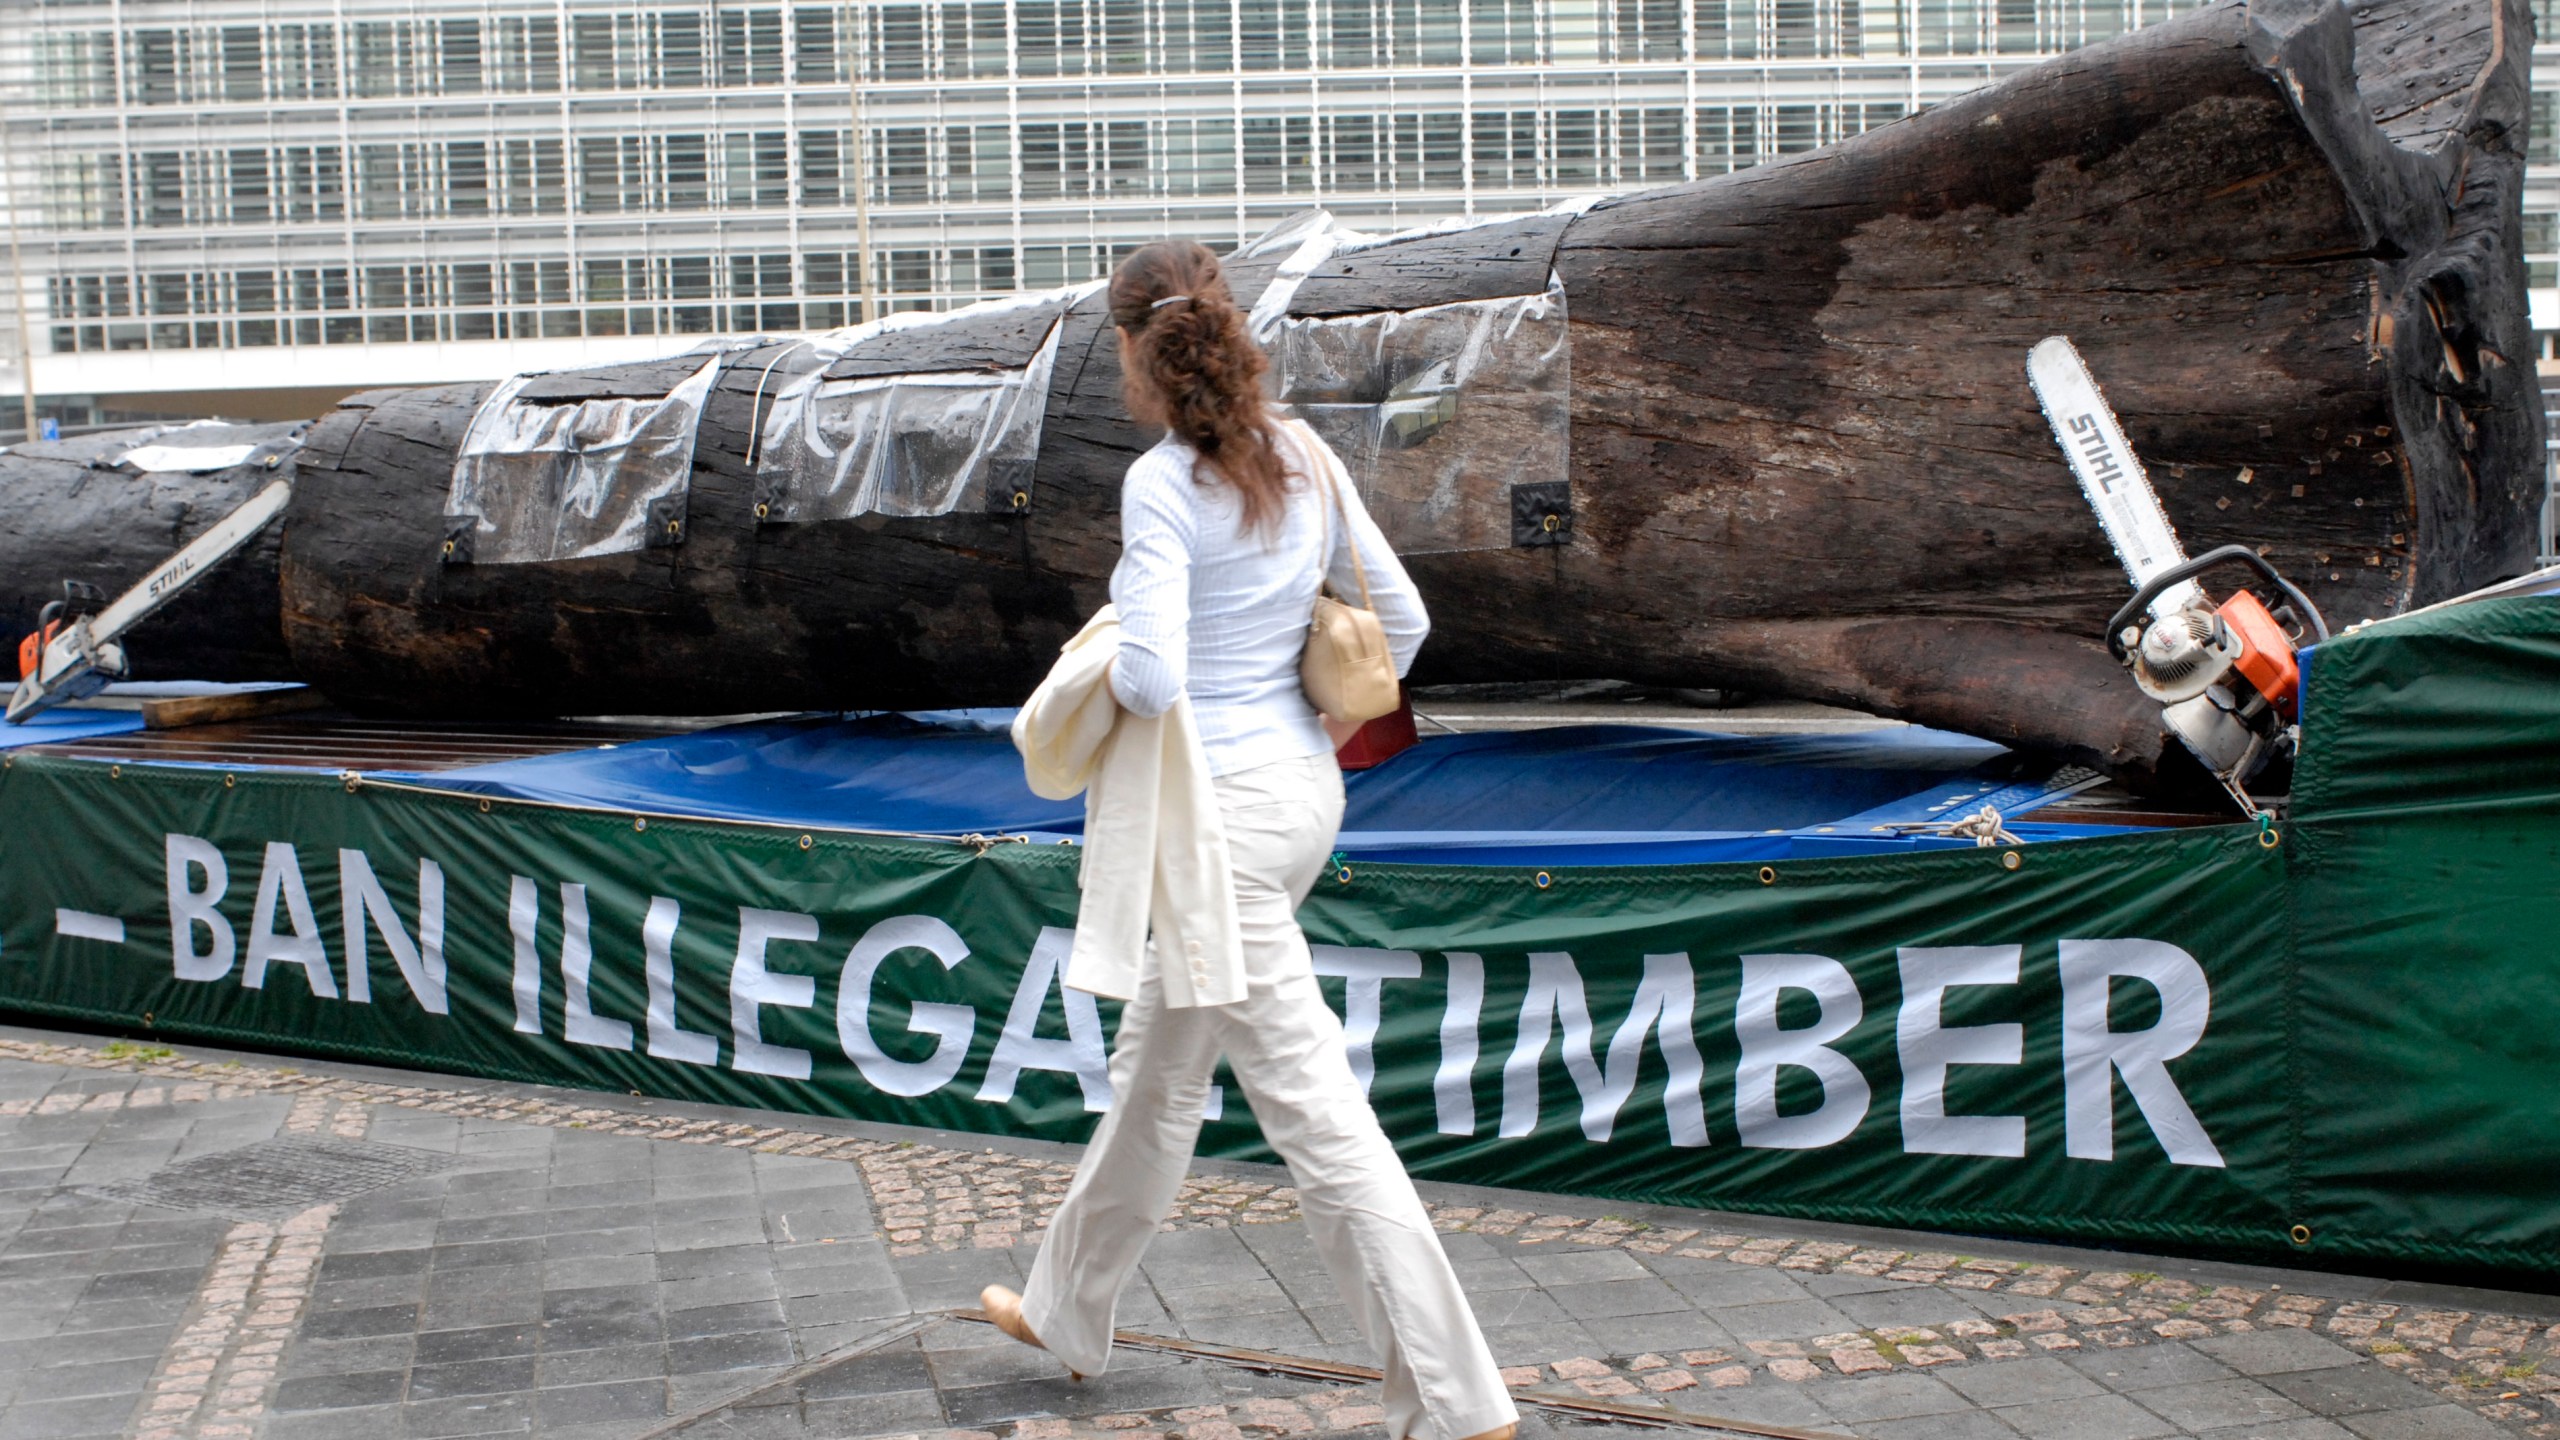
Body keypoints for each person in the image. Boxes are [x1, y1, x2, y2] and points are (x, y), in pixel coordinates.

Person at [980, 239, 1518, 1440]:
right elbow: (1406, 624)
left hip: (1208, 823)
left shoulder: (1162, 484)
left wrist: (1098, 651)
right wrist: (1301, 730)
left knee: (1314, 1113)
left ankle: (1454, 1398)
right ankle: (1067, 1307)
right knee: (1158, 1074)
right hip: (1295, 792)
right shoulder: (1306, 455)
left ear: (1132, 351)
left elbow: (1158, 681)